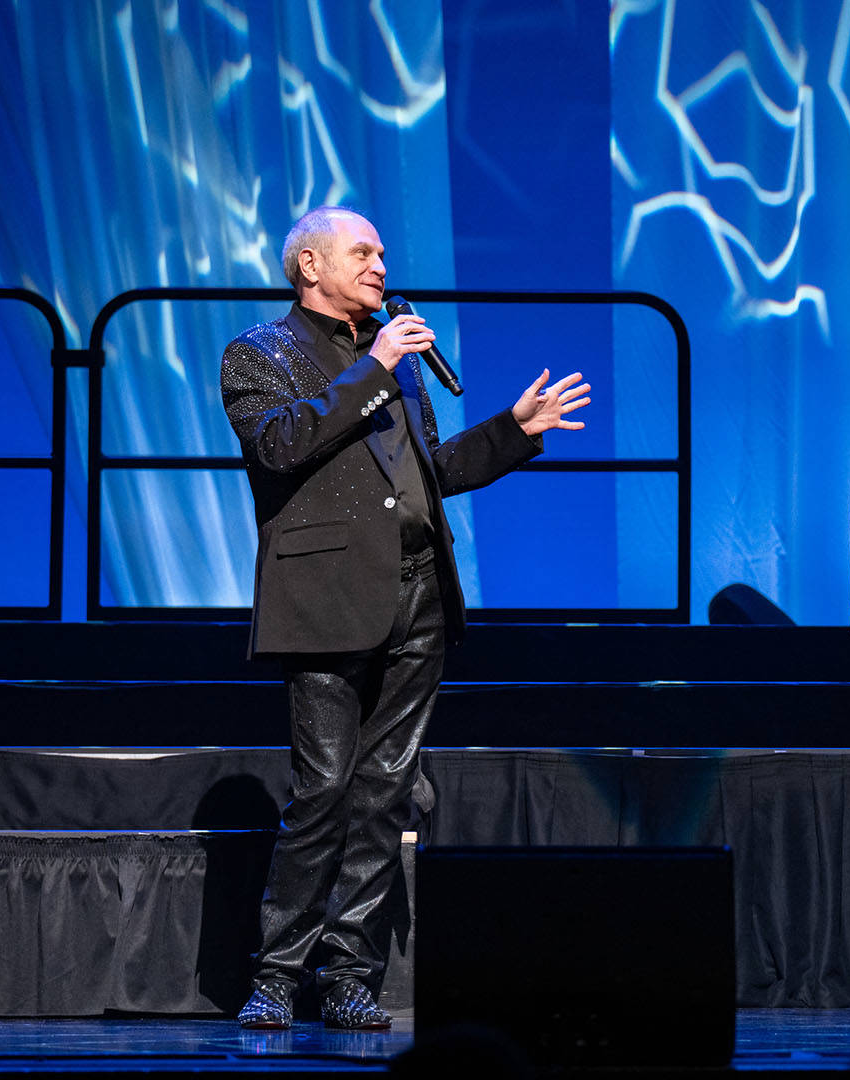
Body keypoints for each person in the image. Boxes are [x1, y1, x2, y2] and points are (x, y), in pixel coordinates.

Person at [220, 206, 590, 1029]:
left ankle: (350, 973)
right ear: (310, 266)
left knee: (386, 793)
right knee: (323, 791)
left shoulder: (394, 364)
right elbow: (280, 445)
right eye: (363, 252)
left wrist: (511, 433)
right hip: (327, 599)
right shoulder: (260, 353)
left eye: (384, 251)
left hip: (420, 592)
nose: (382, 264)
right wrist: (378, 367)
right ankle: (279, 974)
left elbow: (427, 475)